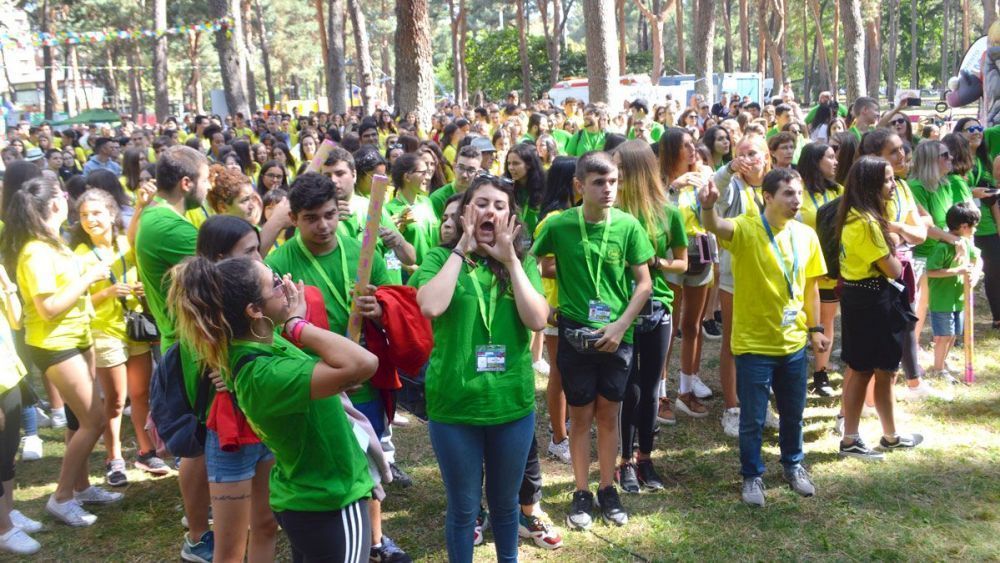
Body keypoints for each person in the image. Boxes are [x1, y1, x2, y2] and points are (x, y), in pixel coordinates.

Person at [168, 253, 378, 562]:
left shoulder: (258, 343)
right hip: (331, 500)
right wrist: (297, 324)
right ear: (254, 310)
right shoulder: (264, 373)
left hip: (306, 495)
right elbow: (364, 363)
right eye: (276, 283)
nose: (286, 285)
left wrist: (292, 319)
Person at [264, 172, 413, 562]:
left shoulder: (361, 252)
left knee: (368, 458)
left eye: (330, 215)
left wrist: (378, 308)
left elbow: (392, 302)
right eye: (311, 218)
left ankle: (375, 539)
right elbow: (272, 332)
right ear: (293, 218)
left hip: (364, 380)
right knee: (325, 461)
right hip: (314, 384)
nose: (323, 225)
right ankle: (325, 536)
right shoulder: (279, 264)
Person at [412, 174, 549, 561]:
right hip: (454, 407)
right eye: (482, 204)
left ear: (511, 217)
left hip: (511, 405)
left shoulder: (523, 262)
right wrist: (461, 248)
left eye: (499, 206)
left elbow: (537, 319)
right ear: (466, 212)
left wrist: (510, 261)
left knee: (505, 504)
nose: (490, 211)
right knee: (463, 508)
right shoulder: (440, 258)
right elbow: (431, 305)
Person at [532, 151, 654, 529]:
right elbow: (533, 265)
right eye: (599, 183)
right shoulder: (559, 224)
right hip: (575, 335)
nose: (608, 189)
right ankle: (582, 491)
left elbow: (644, 284)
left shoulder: (628, 225)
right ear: (579, 185)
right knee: (581, 414)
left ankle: (607, 488)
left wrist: (620, 326)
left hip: (618, 336)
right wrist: (546, 308)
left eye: (613, 182)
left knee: (609, 414)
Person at [699, 165, 829, 506]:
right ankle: (752, 475)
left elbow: (811, 288)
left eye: (799, 193)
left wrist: (815, 329)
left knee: (793, 413)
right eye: (788, 193)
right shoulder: (746, 228)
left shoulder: (806, 235)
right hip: (753, 345)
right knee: (753, 419)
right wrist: (708, 206)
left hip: (793, 343)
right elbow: (715, 226)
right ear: (767, 197)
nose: (796, 200)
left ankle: (793, 465)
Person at [0, 177, 123, 528]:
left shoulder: (54, 242)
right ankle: (62, 497)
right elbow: (48, 307)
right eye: (65, 196)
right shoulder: (35, 251)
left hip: (78, 336)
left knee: (77, 419)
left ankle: (81, 487)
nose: (68, 200)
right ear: (56, 203)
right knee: (94, 420)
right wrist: (89, 278)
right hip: (56, 343)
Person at [133, 145, 214, 559]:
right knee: (197, 443)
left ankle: (202, 515)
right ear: (186, 183)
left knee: (204, 438)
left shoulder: (162, 217)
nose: (209, 186)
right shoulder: (165, 225)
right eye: (206, 179)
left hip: (189, 341)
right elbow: (230, 264)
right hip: (187, 347)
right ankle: (198, 537)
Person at [72, 189, 168, 487]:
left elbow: (137, 248)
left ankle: (146, 451)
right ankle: (114, 458)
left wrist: (139, 289)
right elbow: (78, 299)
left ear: (112, 214)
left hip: (135, 327)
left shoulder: (125, 244)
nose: (90, 220)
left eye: (96, 213)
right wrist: (109, 293)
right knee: (115, 401)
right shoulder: (80, 255)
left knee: (140, 394)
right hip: (105, 331)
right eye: (84, 215)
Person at [835, 156, 924, 462]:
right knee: (866, 371)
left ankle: (890, 435)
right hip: (872, 300)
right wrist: (894, 245)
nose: (893, 184)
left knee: (882, 371)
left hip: (863, 297)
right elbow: (894, 269)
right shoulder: (866, 222)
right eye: (887, 179)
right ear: (870, 184)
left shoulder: (856, 216)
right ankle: (851, 439)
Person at [612, 141, 688, 493]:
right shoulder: (610, 211)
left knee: (651, 385)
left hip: (657, 307)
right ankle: (624, 461)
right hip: (619, 309)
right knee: (629, 388)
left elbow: (682, 262)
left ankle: (646, 458)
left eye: (619, 167)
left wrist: (657, 262)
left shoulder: (668, 213)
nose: (613, 174)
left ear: (636, 169)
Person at [533, 156, 578, 465]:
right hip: (557, 307)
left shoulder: (576, 214)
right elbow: (544, 266)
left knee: (573, 372)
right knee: (560, 374)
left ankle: (568, 424)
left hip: (576, 306)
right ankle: (558, 438)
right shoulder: (553, 220)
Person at [0, 263, 43, 554]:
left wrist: (7, 285)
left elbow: (16, 321)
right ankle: (3, 529)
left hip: (9, 374)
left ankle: (9, 512)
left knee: (8, 450)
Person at [795, 142, 843, 396]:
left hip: (829, 270)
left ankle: (821, 374)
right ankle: (790, 374)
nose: (836, 162)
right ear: (815, 161)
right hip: (800, 270)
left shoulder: (839, 192)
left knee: (825, 321)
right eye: (830, 157)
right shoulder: (796, 191)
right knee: (797, 321)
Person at [927, 202, 982, 376]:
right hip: (942, 300)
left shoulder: (965, 243)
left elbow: (976, 258)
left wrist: (974, 273)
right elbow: (930, 272)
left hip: (957, 299)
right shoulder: (942, 247)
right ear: (964, 226)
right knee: (943, 336)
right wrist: (957, 271)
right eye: (974, 226)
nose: (975, 230)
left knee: (952, 335)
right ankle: (938, 369)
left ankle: (943, 363)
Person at [385, 153, 440, 267]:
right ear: (407, 177)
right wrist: (409, 267)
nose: (428, 177)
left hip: (433, 268)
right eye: (423, 173)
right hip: (411, 274)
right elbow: (388, 252)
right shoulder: (389, 209)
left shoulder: (427, 202)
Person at [429, 145, 483, 218]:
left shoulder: (481, 199)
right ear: (454, 167)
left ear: (478, 173)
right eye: (461, 167)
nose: (464, 175)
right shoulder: (438, 199)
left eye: (471, 170)